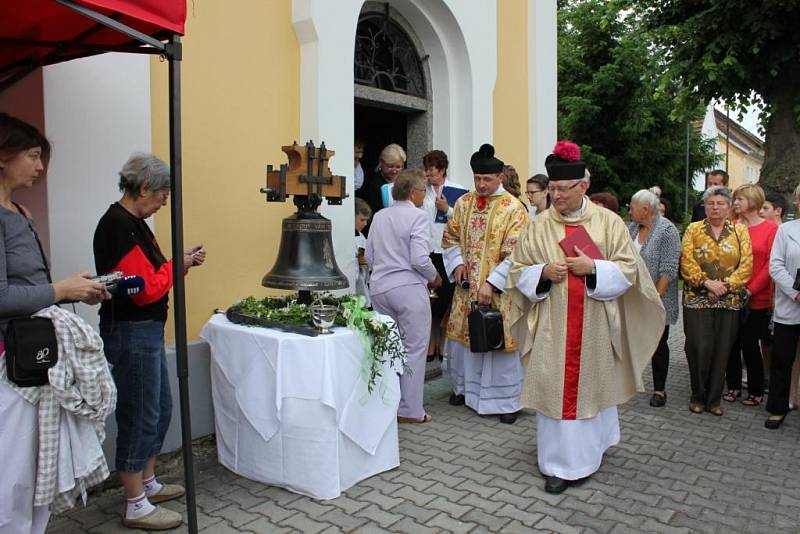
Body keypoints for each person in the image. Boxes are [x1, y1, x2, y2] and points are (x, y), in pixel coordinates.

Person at [507, 141, 664, 494]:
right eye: (552, 188)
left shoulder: (608, 223)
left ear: (583, 187)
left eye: (563, 189)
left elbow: (629, 271)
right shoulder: (539, 225)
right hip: (552, 325)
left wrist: (593, 268)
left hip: (594, 323)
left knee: (590, 387)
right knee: (555, 388)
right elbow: (518, 271)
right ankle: (558, 464)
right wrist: (544, 272)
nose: (555, 195)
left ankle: (592, 451)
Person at [0, 113, 110, 534]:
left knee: (33, 476)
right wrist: (60, 291)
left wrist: (74, 287)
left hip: (32, 357)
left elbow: (30, 285)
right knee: (13, 477)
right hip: (11, 365)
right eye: (32, 155)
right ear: (3, 156)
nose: (40, 166)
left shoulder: (19, 211)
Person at [94, 152, 206, 530]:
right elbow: (141, 288)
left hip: (145, 330)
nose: (164, 202)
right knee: (140, 413)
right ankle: (135, 503)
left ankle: (147, 481)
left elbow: (154, 272)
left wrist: (180, 262)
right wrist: (180, 266)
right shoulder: (118, 226)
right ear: (144, 187)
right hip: (131, 329)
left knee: (157, 407)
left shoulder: (135, 224)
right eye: (162, 195)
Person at [442, 144, 528, 424]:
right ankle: (464, 390)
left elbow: (517, 253)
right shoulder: (464, 203)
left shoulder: (514, 209)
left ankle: (505, 402)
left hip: (499, 292)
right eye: (477, 179)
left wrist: (492, 283)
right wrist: (457, 264)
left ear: (500, 177)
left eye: (487, 180)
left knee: (497, 344)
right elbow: (450, 237)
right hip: (466, 288)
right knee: (464, 341)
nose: (481, 184)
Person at [366, 169, 441, 424]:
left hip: (379, 288)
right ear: (412, 192)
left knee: (387, 347)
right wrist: (434, 276)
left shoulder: (379, 215)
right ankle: (410, 409)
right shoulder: (417, 216)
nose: (424, 196)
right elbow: (419, 258)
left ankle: (386, 402)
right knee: (414, 348)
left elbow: (370, 256)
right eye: (423, 191)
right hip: (408, 288)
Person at [680, 186, 752, 416]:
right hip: (697, 297)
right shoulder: (693, 229)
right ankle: (697, 396)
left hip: (728, 299)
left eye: (721, 203)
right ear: (705, 205)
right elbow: (687, 261)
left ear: (729, 206)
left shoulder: (740, 231)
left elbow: (747, 265)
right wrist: (706, 283)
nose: (715, 207)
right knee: (699, 346)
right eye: (711, 203)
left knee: (722, 350)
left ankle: (714, 400)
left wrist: (724, 287)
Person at [722, 184, 777, 407]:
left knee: (750, 344)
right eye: (735, 199)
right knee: (731, 343)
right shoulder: (732, 226)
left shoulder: (770, 229)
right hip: (732, 294)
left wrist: (751, 289)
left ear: (753, 201)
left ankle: (756, 389)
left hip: (757, 297)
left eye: (740, 199)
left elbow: (769, 265)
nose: (735, 203)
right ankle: (733, 386)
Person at [629, 189, 681, 407]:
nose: (629, 210)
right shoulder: (632, 228)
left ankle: (660, 390)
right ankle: (631, 381)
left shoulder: (667, 230)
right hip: (632, 296)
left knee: (659, 343)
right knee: (634, 340)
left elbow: (669, 268)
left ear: (645, 209)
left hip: (657, 298)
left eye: (632, 207)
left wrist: (655, 297)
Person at [766, 184, 800, 429]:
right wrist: (796, 294)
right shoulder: (786, 230)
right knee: (782, 358)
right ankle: (777, 408)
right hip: (790, 305)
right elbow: (775, 266)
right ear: (797, 201)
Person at [422, 150, 458, 362]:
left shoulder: (457, 190)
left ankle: (442, 344)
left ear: (442, 170)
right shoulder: (421, 190)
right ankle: (430, 345)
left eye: (432, 170)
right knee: (429, 302)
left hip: (447, 251)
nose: (428, 173)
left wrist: (447, 209)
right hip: (426, 250)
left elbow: (463, 219)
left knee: (446, 300)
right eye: (426, 169)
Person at [356, 143, 406, 221]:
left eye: (398, 167)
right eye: (390, 166)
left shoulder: (405, 182)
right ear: (381, 163)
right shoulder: (372, 183)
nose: (395, 171)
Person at [354, 198, 372, 307]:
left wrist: (365, 261)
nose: (365, 224)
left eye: (366, 220)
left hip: (362, 287)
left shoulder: (360, 236)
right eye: (362, 220)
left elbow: (366, 262)